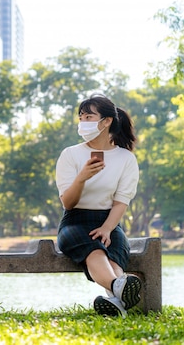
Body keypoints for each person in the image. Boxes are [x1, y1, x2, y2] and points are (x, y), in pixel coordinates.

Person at [55, 94, 141, 317]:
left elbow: (122, 200)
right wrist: (81, 177)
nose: (83, 122)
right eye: (81, 117)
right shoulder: (70, 154)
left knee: (113, 253)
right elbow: (68, 202)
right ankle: (119, 288)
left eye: (89, 116)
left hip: (110, 221)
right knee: (94, 249)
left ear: (106, 121)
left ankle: (115, 303)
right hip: (75, 221)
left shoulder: (126, 159)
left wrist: (107, 228)